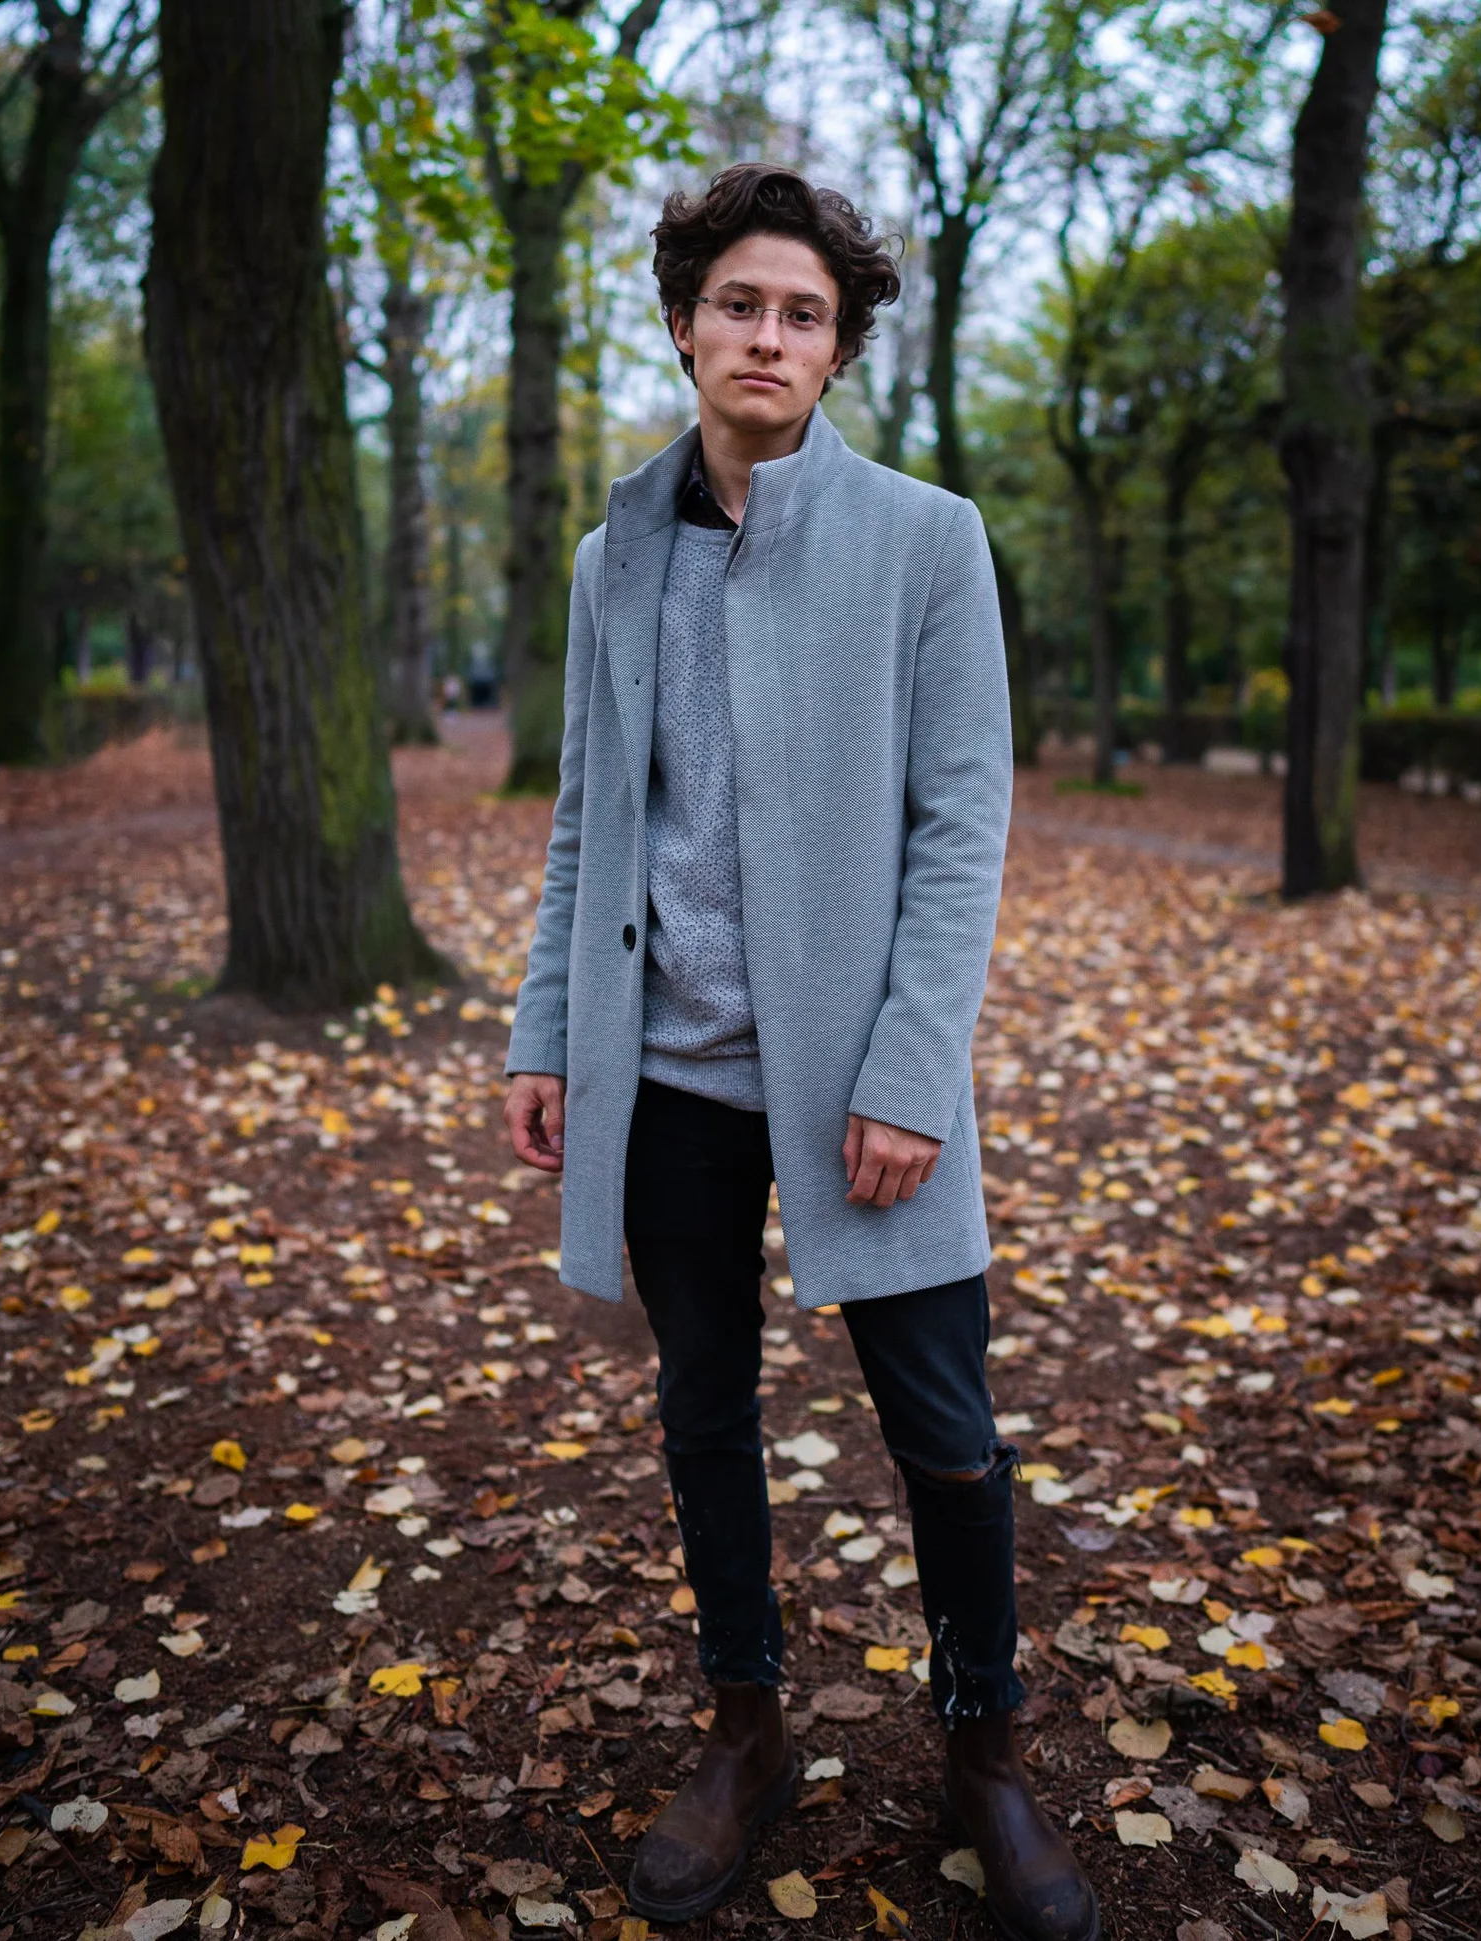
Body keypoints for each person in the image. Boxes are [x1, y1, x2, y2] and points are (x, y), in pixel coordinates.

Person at [503, 162, 1099, 1941]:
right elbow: (589, 820)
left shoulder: (928, 539)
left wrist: (913, 1070)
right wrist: (548, 1032)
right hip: (667, 1072)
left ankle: (985, 1753)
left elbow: (962, 825)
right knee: (702, 1411)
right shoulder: (615, 552)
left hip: (863, 1088)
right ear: (686, 324)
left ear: (837, 351)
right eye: (741, 304)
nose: (768, 335)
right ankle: (747, 1729)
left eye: (804, 314)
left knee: (945, 1429)